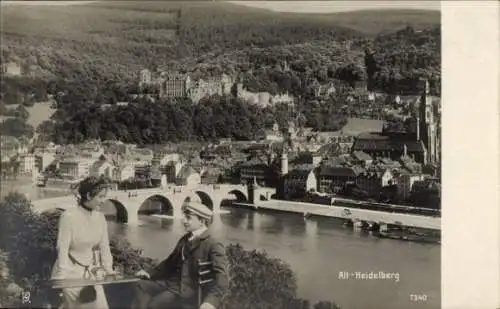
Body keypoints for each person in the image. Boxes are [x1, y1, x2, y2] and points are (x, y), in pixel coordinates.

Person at [131, 201, 229, 309]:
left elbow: (222, 278)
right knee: (140, 286)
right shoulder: (185, 239)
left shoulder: (213, 244)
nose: (184, 220)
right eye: (184, 217)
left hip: (188, 292)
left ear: (201, 221)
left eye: (188, 218)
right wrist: (149, 273)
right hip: (172, 285)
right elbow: (169, 263)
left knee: (154, 304)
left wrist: (211, 302)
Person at [51, 176, 117, 309]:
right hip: (69, 273)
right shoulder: (68, 216)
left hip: (90, 273)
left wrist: (109, 270)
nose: (104, 201)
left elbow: (104, 247)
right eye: (100, 197)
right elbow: (62, 248)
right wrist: (61, 279)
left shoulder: (100, 218)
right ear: (88, 195)